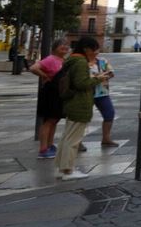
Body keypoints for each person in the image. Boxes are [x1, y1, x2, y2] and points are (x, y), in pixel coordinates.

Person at [55, 36, 99, 180]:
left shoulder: (72, 60)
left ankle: (61, 167)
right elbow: (81, 83)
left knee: (67, 137)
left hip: (71, 103)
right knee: (73, 140)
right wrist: (98, 79)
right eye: (94, 50)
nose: (95, 53)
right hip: (79, 104)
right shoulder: (80, 62)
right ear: (86, 49)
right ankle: (68, 170)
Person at [30, 38, 71, 159]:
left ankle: (50, 145)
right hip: (51, 93)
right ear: (55, 47)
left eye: (67, 45)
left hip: (58, 93)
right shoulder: (51, 59)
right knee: (49, 121)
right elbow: (33, 68)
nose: (65, 47)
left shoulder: (63, 60)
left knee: (54, 120)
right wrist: (45, 75)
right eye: (62, 45)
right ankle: (43, 149)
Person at [92, 52, 117, 148]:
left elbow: (111, 73)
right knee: (84, 117)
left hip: (102, 92)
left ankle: (106, 138)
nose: (96, 51)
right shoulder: (82, 62)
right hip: (87, 93)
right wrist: (99, 77)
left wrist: (102, 76)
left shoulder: (102, 61)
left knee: (109, 113)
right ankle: (78, 141)